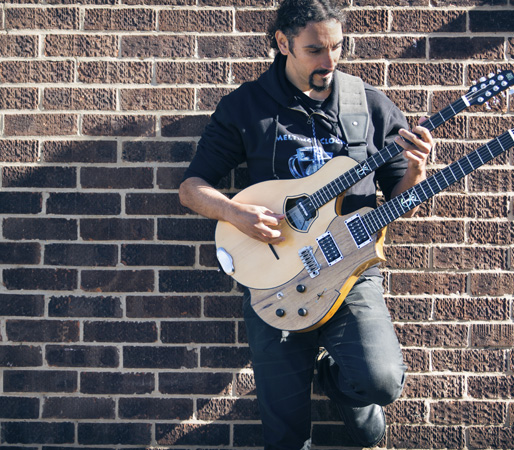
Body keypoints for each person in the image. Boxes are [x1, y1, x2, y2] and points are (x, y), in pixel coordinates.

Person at [178, 0, 435, 448]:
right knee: (284, 431)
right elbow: (192, 187)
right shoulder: (247, 107)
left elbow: (400, 201)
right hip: (275, 277)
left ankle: (335, 381)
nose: (329, 61)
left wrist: (416, 170)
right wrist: (236, 213)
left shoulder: (369, 105)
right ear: (283, 43)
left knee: (381, 384)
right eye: (315, 49)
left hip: (350, 273)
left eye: (337, 46)